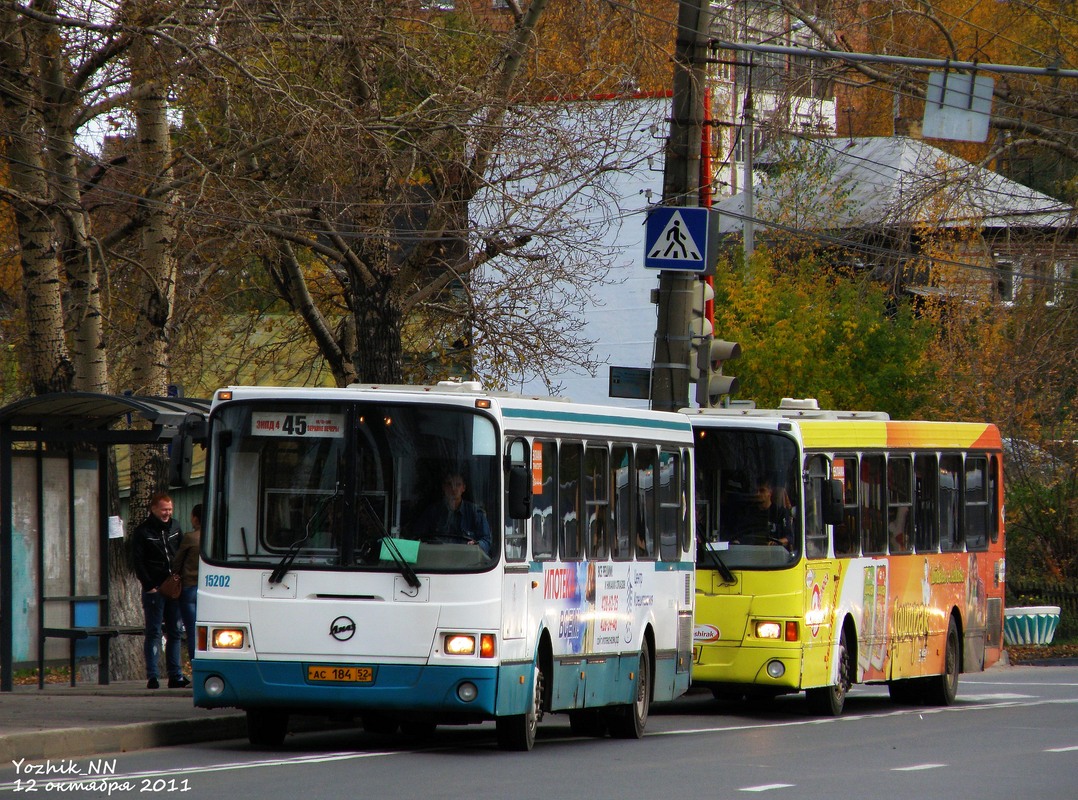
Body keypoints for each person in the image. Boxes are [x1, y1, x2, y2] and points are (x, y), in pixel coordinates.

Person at [131, 491, 190, 689]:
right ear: (154, 509)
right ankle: (153, 676)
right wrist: (150, 587)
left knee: (175, 632)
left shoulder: (175, 526)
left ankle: (176, 676)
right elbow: (138, 562)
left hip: (173, 587)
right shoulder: (142, 532)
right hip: (155, 589)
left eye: (170, 509)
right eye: (164, 509)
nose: (167, 513)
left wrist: (179, 578)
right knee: (154, 631)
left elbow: (182, 552)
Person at [415, 471, 492, 555]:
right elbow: (417, 538)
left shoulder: (475, 513)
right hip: (437, 560)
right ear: (443, 487)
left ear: (463, 488)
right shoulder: (432, 512)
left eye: (458, 484)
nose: (453, 488)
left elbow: (486, 541)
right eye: (449, 484)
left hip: (469, 564)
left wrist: (477, 546)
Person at [173, 503, 202, 665]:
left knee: (192, 632)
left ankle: (194, 668)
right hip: (208, 588)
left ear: (196, 519)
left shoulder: (191, 538)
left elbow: (177, 563)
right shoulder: (218, 537)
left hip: (189, 588)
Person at [731, 478, 793, 547]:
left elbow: (789, 538)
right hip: (750, 551)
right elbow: (738, 535)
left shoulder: (780, 512)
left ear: (770, 492)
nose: (758, 494)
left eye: (762, 491)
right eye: (756, 491)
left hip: (773, 553)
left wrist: (777, 543)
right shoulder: (748, 512)